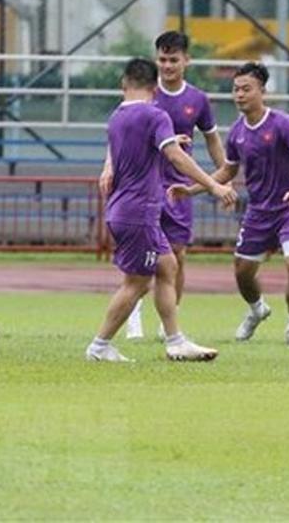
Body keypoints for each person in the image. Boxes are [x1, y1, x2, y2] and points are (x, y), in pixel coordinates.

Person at [86, 57, 237, 363]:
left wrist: (171, 141)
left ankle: (175, 340)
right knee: (137, 283)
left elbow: (140, 148)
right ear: (155, 88)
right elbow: (176, 158)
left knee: (167, 267)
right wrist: (214, 185)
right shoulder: (156, 116)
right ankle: (99, 346)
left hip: (128, 209)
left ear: (123, 84)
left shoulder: (116, 117)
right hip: (138, 212)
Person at [170, 62, 289, 347]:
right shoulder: (237, 132)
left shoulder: (283, 123)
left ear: (262, 91)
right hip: (258, 213)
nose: (239, 95)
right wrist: (190, 191)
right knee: (242, 271)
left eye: (246, 89)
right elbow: (227, 172)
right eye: (235, 89)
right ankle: (256, 310)